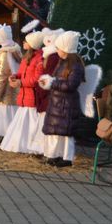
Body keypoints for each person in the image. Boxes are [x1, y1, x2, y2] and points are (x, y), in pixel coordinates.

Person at [38, 31, 85, 167]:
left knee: (66, 133)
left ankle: (67, 158)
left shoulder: (75, 65)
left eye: (58, 48)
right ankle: (54, 155)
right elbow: (57, 80)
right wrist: (48, 82)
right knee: (55, 131)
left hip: (66, 105)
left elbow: (71, 85)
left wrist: (53, 83)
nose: (57, 50)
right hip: (58, 103)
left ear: (65, 49)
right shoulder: (62, 63)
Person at [0, 28, 45, 154]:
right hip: (24, 97)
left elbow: (37, 79)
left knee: (31, 125)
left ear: (32, 44)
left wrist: (21, 82)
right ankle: (19, 145)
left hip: (33, 98)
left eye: (26, 41)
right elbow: (21, 73)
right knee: (21, 124)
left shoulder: (40, 59)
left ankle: (32, 148)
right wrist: (15, 77)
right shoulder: (26, 58)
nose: (23, 43)